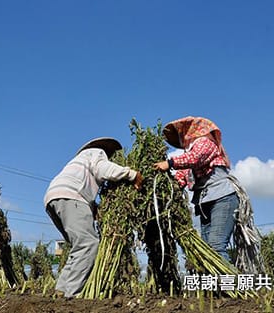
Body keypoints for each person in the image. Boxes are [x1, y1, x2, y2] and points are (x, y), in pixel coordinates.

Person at [44, 137, 143, 298]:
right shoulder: (96, 153)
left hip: (53, 198)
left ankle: (61, 290)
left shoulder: (77, 161)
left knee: (78, 246)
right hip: (71, 196)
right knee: (88, 244)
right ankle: (71, 294)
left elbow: (83, 183)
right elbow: (103, 169)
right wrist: (131, 174)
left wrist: (93, 208)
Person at [154, 116, 240, 262]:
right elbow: (182, 176)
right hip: (205, 202)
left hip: (223, 197)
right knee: (207, 251)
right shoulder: (188, 153)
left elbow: (195, 158)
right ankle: (216, 284)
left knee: (216, 247)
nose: (182, 137)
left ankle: (231, 284)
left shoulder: (206, 142)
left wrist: (170, 163)